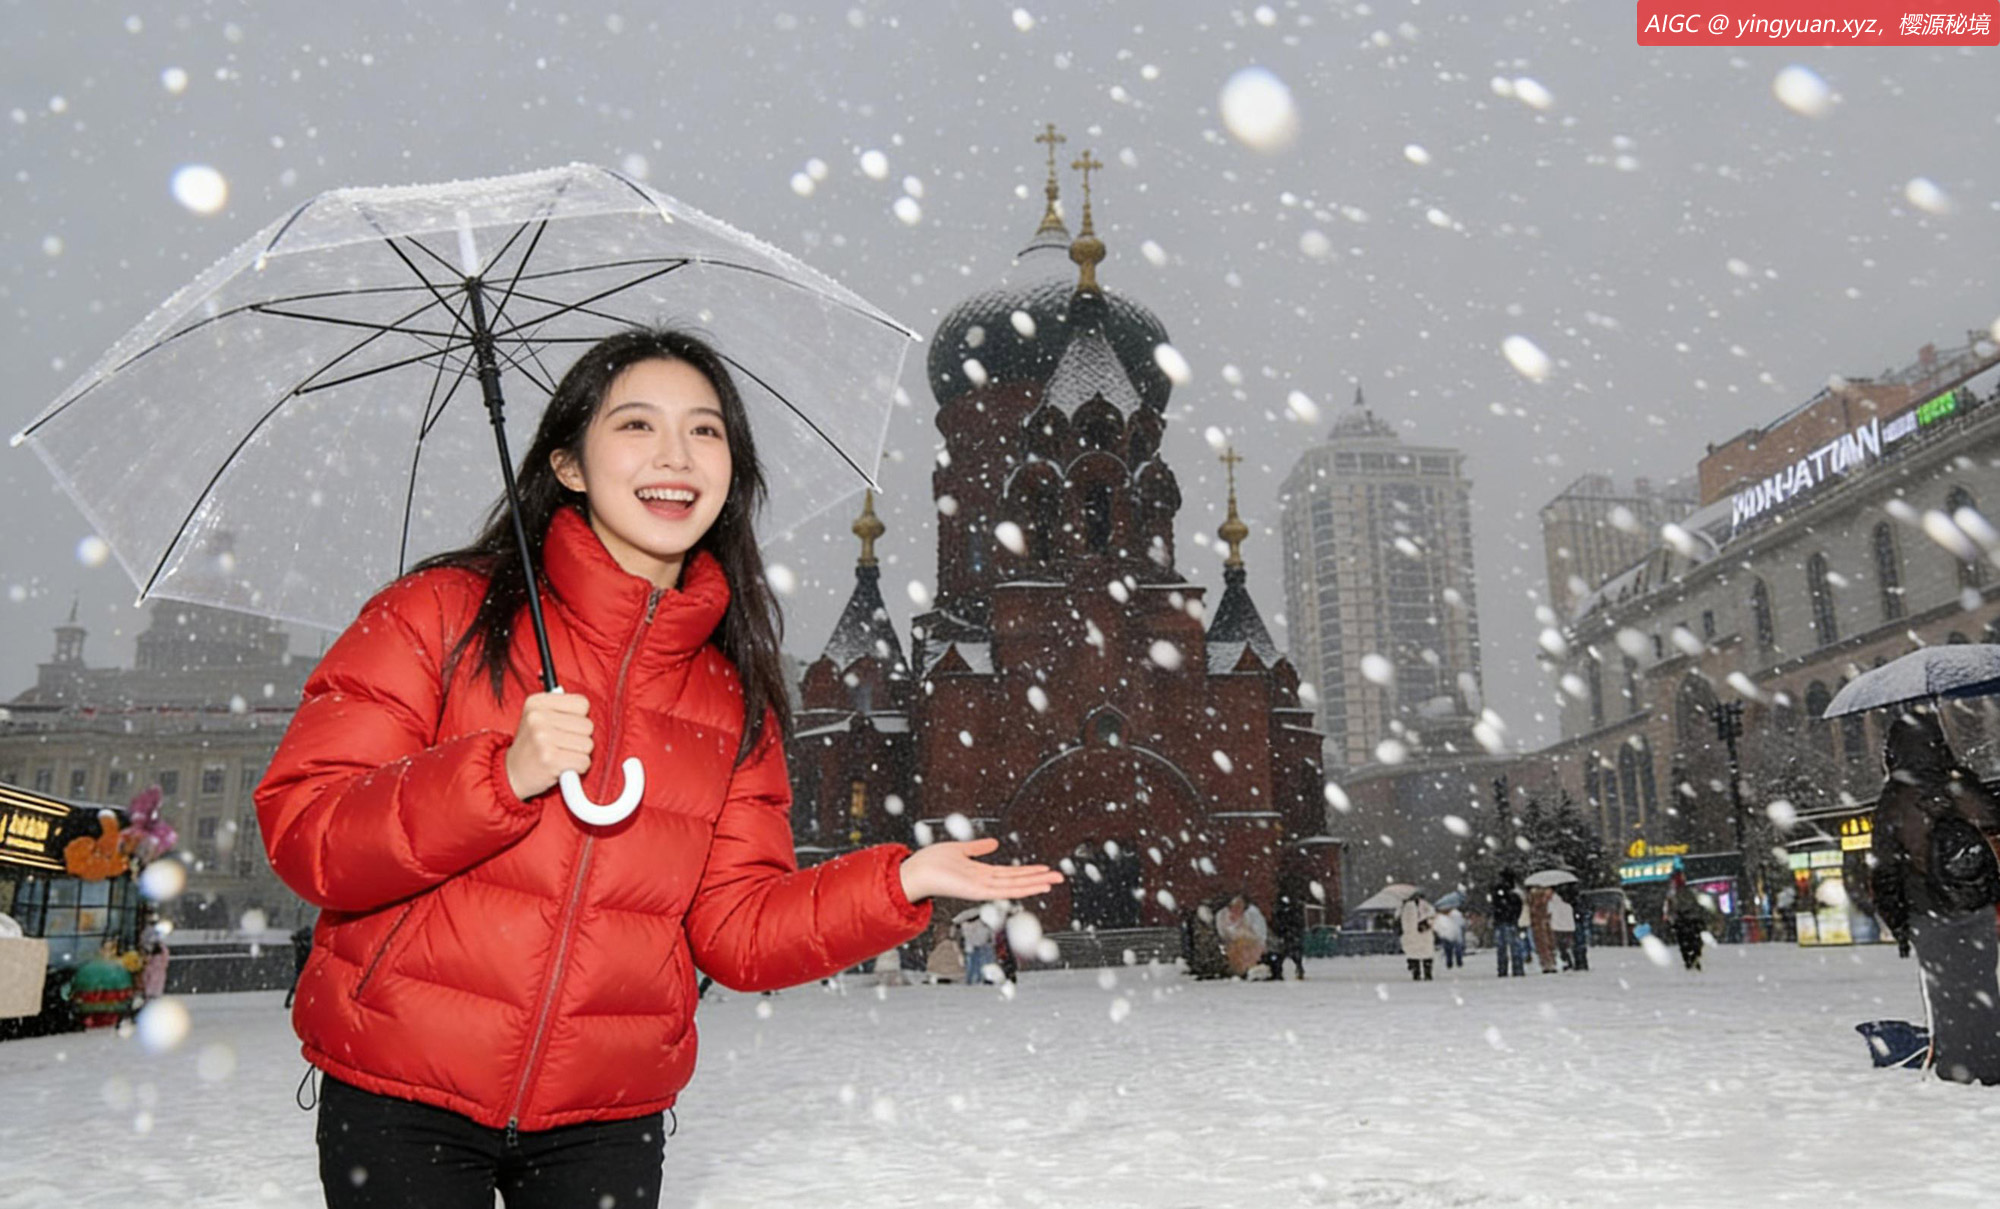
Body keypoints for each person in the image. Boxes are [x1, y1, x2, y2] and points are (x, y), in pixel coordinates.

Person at [255, 328, 1063, 1209]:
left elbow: (739, 929)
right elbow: (309, 835)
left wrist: (897, 881)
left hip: (607, 1111)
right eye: (636, 425)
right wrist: (496, 775)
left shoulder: (728, 694)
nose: (675, 455)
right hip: (401, 1094)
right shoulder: (440, 613)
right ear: (567, 462)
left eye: (705, 431)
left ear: (732, 470)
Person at [1869, 709, 2000, 1085]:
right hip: (1974, 903)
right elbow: (1994, 819)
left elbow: (1885, 870)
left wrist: (1898, 924)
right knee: (1983, 987)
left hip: (1927, 911)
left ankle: (1955, 1070)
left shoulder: (1896, 797)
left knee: (1946, 996)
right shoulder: (1960, 781)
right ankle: (1992, 1067)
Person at [1665, 872, 1715, 972]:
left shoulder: (1675, 894)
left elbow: (1671, 910)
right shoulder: (1687, 893)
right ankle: (1693, 958)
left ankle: (1690, 959)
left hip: (1684, 921)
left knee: (1686, 942)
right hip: (1689, 921)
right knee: (1692, 941)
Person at [1216, 893, 1269, 979]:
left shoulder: (1252, 915)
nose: (1236, 909)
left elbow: (1260, 935)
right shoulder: (1223, 916)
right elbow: (1224, 935)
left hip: (1252, 943)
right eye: (1234, 906)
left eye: (1240, 906)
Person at [1268, 872, 1308, 981]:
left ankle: (1281, 970)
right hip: (1291, 927)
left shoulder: (1283, 900)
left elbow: (1277, 914)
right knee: (1294, 950)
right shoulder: (1295, 900)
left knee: (1283, 950)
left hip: (1286, 928)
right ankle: (1297, 968)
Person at [1490, 869, 1525, 977]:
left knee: (1502, 947)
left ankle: (1503, 969)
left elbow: (1495, 905)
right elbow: (1519, 907)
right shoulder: (1515, 893)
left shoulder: (1499, 892)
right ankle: (1517, 968)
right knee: (1514, 946)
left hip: (1502, 921)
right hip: (1511, 921)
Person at [1397, 891, 1437, 981]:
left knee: (1414, 955)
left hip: (1412, 935)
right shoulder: (1426, 906)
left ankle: (1417, 973)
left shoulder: (1405, 908)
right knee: (1425, 955)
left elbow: (1401, 921)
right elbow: (1432, 917)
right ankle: (1426, 974)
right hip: (1422, 935)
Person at [960, 912, 996, 987]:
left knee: (973, 965)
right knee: (980, 964)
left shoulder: (966, 925)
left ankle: (973, 979)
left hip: (974, 946)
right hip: (978, 946)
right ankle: (977, 979)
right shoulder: (978, 925)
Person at [283, 924, 312, 1009]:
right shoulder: (304, 944)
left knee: (297, 986)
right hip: (303, 966)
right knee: (299, 986)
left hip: (302, 966)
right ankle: (291, 1002)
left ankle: (290, 1002)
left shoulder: (302, 944)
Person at [1548, 886, 1577, 971]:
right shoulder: (1567, 905)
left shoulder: (1552, 903)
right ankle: (1570, 961)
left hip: (1557, 927)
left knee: (1561, 947)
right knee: (1567, 946)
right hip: (1568, 927)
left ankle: (1566, 962)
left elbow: (1549, 913)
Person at [1433, 899, 1466, 970]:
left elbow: (1436, 927)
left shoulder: (1455, 914)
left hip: (1451, 934)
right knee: (1451, 949)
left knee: (1453, 949)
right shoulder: (1441, 917)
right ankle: (1453, 962)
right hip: (1449, 935)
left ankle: (1454, 962)